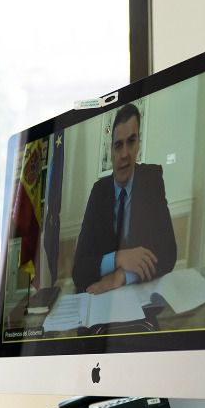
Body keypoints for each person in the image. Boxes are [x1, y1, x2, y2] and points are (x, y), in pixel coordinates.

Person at [72, 103, 176, 294]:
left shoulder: (152, 179)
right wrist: (119, 258)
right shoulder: (99, 192)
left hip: (140, 296)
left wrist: (122, 276)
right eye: (118, 145)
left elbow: (168, 253)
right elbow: (79, 271)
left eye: (131, 142)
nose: (125, 154)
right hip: (102, 300)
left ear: (138, 144)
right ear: (110, 151)